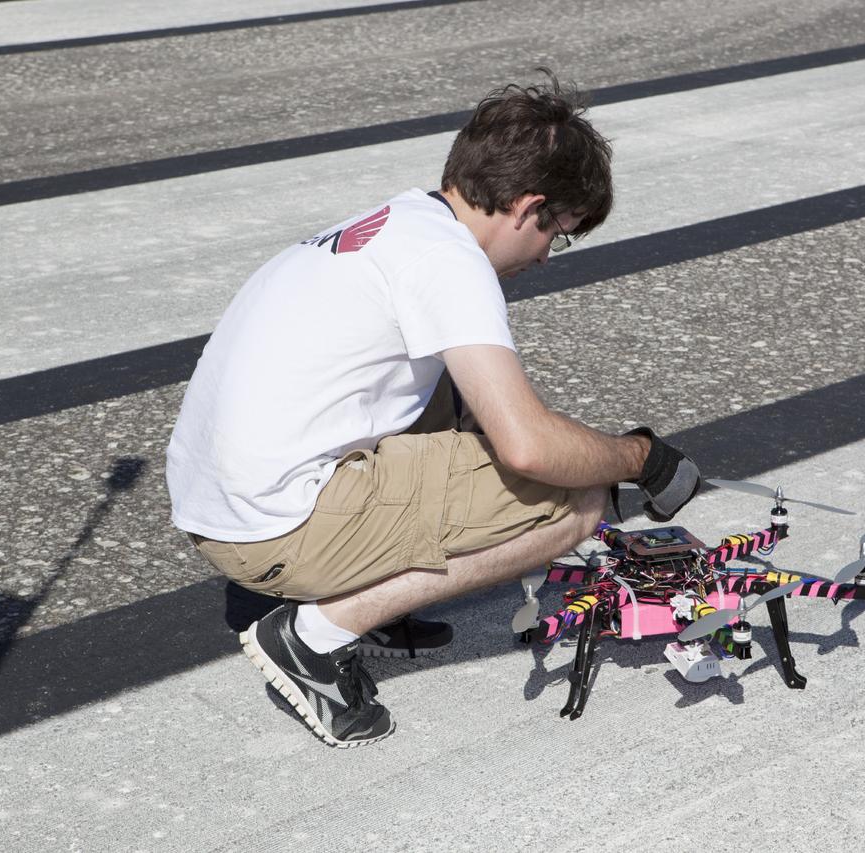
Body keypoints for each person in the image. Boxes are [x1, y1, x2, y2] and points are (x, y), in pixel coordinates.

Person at [166, 70, 700, 747]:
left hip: (216, 504)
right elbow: (529, 446)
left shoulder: (401, 222)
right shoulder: (451, 264)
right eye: (556, 235)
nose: (545, 258)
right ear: (527, 206)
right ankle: (313, 637)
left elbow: (476, 410)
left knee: (454, 395)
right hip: (270, 531)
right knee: (577, 497)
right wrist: (640, 456)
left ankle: (365, 591)